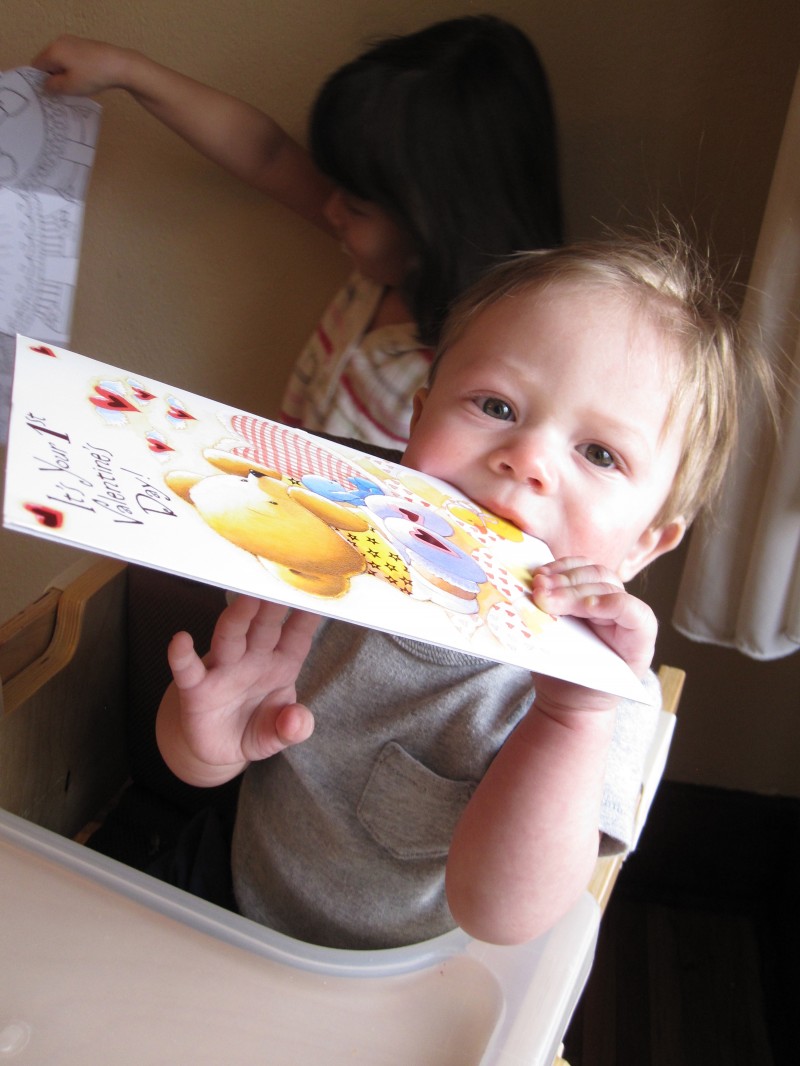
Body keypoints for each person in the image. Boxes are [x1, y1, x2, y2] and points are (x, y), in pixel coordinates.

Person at [151, 233, 773, 951]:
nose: (528, 460)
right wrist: (204, 739)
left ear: (645, 544)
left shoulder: (599, 689)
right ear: (418, 421)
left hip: (400, 980)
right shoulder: (321, 549)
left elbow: (500, 917)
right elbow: (199, 763)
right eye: (497, 406)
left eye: (600, 453)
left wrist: (570, 718)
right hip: (225, 887)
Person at [32, 17, 563, 448]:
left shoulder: (487, 367)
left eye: (353, 206)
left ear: (435, 222)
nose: (328, 209)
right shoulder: (385, 264)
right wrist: (127, 70)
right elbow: (266, 153)